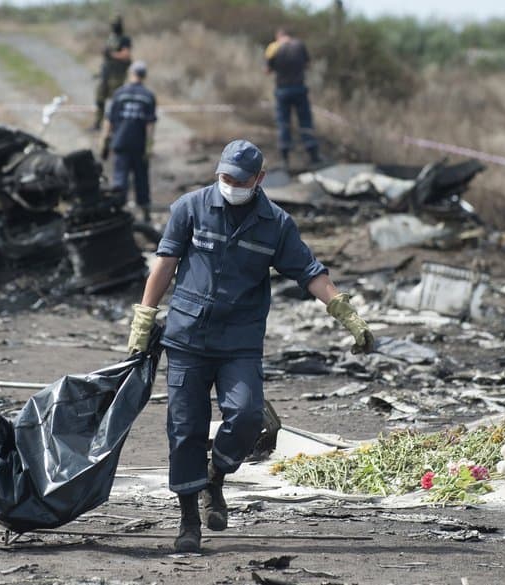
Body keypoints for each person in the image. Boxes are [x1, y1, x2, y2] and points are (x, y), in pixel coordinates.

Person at [126, 139, 373, 553]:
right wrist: (144, 318)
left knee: (244, 417)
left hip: (239, 341)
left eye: (240, 180)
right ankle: (188, 521)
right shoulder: (190, 207)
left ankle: (215, 479)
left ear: (259, 179)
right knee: (184, 429)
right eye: (224, 177)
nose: (230, 185)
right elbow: (165, 263)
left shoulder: (275, 224)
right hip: (187, 337)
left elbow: (309, 272)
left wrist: (345, 312)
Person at [102, 61, 157, 222]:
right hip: (139, 144)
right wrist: (149, 146)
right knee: (141, 178)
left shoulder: (119, 94)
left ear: (130, 73)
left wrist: (104, 141)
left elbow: (109, 120)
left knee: (120, 179)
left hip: (120, 142)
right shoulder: (148, 96)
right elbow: (150, 124)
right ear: (144, 76)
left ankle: (118, 212)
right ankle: (145, 213)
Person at [265, 28, 320, 169]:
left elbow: (268, 71)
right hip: (299, 88)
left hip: (282, 90)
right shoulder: (299, 45)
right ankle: (313, 156)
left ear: (278, 36)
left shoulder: (274, 48)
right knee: (305, 121)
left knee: (283, 123)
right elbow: (308, 65)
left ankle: (285, 159)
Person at [92, 14, 132, 131]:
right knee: (100, 97)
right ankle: (97, 123)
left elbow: (126, 55)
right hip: (106, 73)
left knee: (117, 100)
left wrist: (112, 54)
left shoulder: (124, 39)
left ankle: (116, 125)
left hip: (117, 75)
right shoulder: (111, 38)